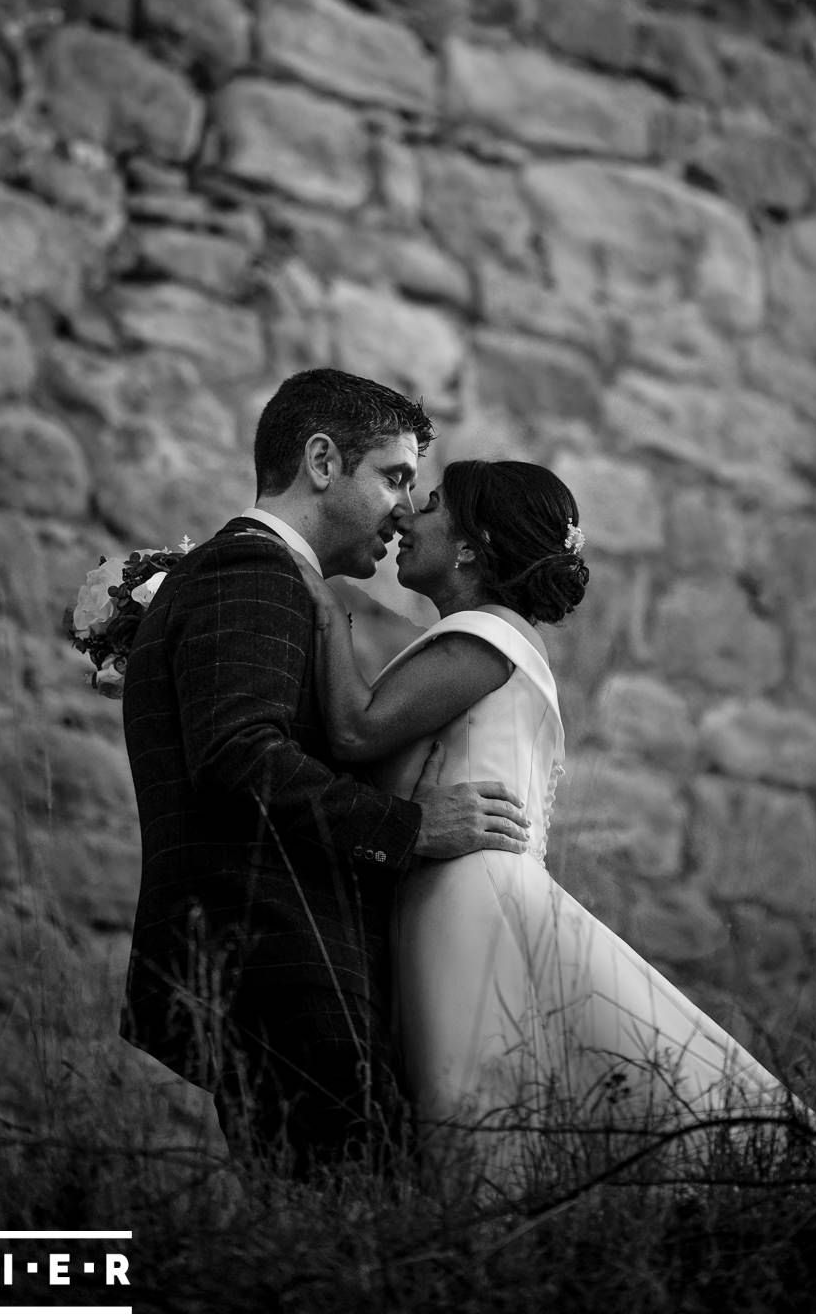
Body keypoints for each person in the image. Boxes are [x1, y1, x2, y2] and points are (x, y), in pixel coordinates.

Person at [297, 457, 816, 1184]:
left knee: (472, 1104)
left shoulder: (486, 635)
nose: (407, 516)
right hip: (452, 888)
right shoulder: (488, 637)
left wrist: (319, 605)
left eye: (432, 503)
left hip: (465, 897)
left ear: (472, 544)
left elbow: (354, 734)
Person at [118, 371, 530, 1176]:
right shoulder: (254, 573)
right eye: (395, 477)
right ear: (320, 461)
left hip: (271, 964)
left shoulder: (256, 578)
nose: (406, 509)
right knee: (356, 1236)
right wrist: (413, 828)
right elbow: (242, 760)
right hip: (286, 963)